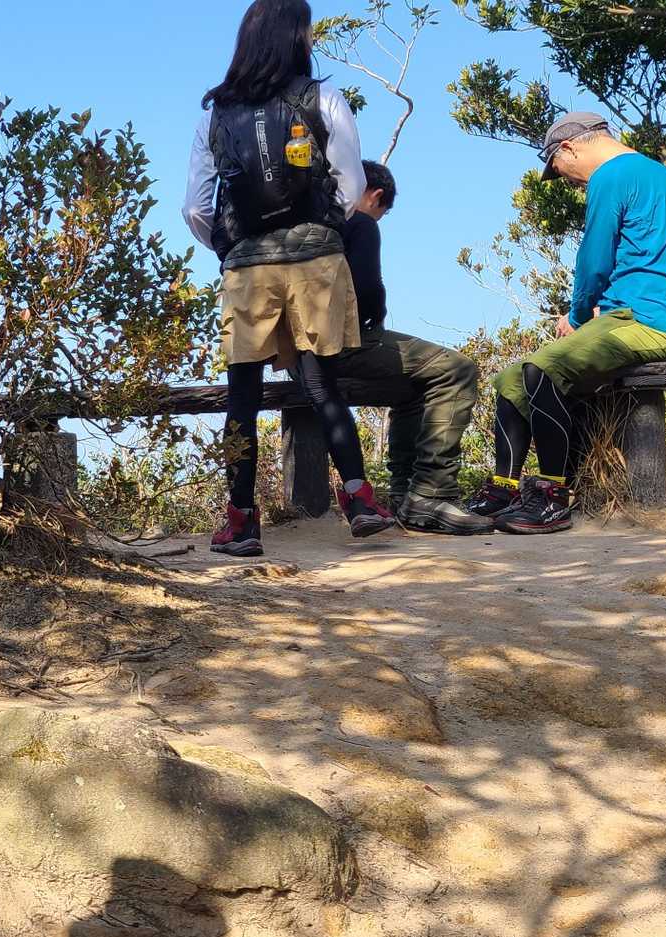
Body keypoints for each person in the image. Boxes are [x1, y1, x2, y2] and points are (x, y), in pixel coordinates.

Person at [182, 0, 395, 558]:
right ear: (297, 37)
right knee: (322, 383)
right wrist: (322, 230)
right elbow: (350, 184)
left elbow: (196, 207)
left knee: (242, 395)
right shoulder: (322, 97)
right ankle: (359, 499)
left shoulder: (215, 113)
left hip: (247, 267)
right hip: (316, 262)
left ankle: (241, 522)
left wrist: (232, 247)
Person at [465, 112, 666, 534]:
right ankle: (504, 490)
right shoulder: (662, 177)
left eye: (558, 169)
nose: (568, 181)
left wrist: (576, 317)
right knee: (511, 380)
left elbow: (594, 261)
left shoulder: (611, 175)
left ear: (569, 147)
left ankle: (553, 497)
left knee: (541, 370)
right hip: (635, 316)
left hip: (645, 321)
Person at [336, 161, 492, 534]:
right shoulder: (359, 221)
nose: (378, 217)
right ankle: (432, 492)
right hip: (344, 344)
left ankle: (405, 495)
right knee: (457, 369)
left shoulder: (312, 220)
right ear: (375, 195)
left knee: (413, 388)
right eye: (382, 210)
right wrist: (377, 312)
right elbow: (367, 288)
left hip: (302, 357)